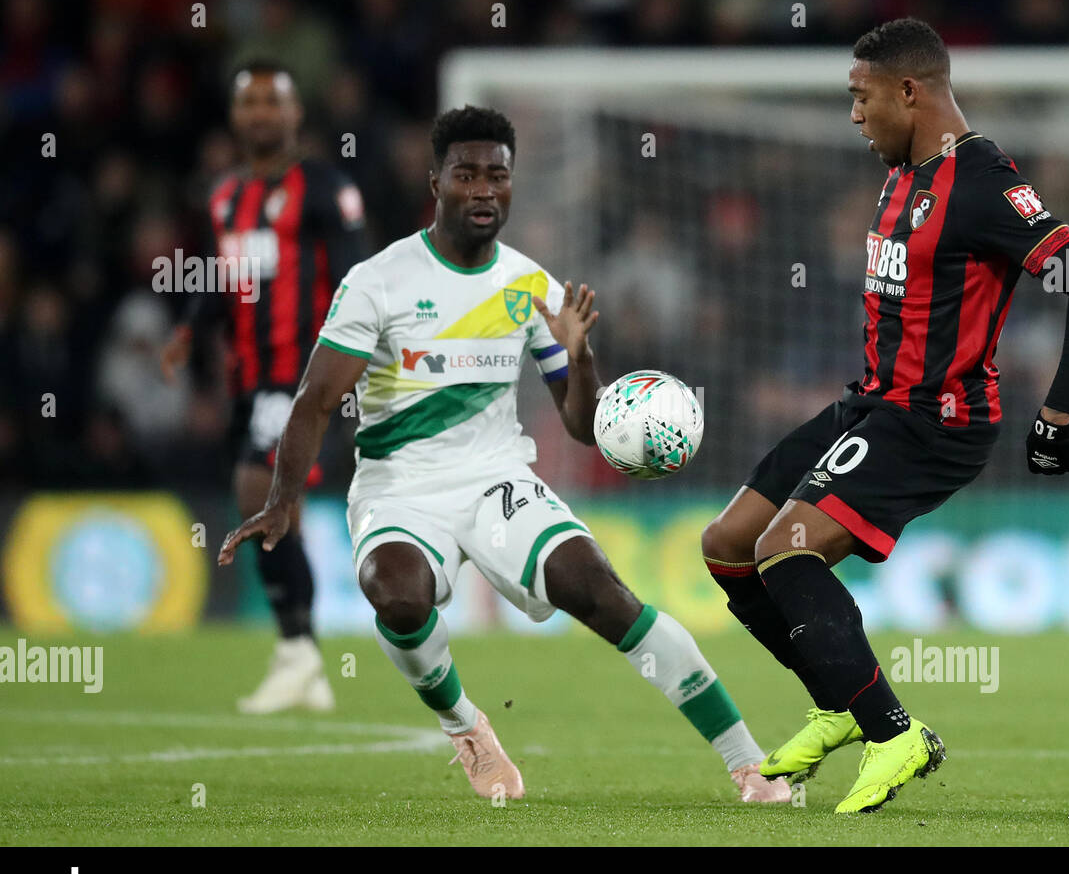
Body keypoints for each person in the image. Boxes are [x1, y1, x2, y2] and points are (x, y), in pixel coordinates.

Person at [218, 105, 789, 804]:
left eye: (498, 175)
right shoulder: (378, 280)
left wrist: (580, 360)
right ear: (436, 182)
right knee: (395, 594)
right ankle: (468, 729)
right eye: (467, 174)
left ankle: (749, 762)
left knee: (602, 593)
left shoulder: (531, 286)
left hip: (496, 481)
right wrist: (283, 499)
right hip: (399, 487)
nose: (484, 189)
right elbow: (313, 400)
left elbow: (583, 426)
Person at [700, 18, 1069, 813]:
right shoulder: (901, 169)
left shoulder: (983, 180)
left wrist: (1057, 417)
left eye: (860, 98)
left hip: (936, 420)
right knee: (727, 547)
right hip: (869, 404)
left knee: (787, 551)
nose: (853, 116)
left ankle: (893, 732)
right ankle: (838, 705)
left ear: (909, 91)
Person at [162, 60, 367, 713]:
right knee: (277, 505)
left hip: (304, 378)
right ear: (234, 115)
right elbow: (229, 280)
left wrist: (356, 371)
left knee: (258, 486)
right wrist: (191, 329)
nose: (259, 114)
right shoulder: (224, 195)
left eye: (270, 102)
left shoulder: (326, 188)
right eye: (248, 102)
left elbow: (357, 282)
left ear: (294, 113)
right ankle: (301, 656)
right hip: (248, 380)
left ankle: (297, 650)